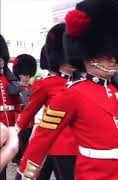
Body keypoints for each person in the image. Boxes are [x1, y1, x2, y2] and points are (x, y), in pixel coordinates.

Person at [16, 0, 118, 179]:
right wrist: (26, 175)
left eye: (113, 53)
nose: (112, 59)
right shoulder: (72, 93)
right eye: (106, 53)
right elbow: (42, 138)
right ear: (89, 53)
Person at [15, 24, 78, 180]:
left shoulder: (83, 82)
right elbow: (29, 111)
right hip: (62, 145)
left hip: (86, 145)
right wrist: (14, 132)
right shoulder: (46, 84)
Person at [0, 34, 20, 180]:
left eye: (2, 58)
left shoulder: (9, 78)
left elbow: (17, 104)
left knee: (6, 164)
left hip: (10, 125)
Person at [11, 54, 37, 164]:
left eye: (27, 75)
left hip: (31, 119)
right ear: (19, 74)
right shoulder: (14, 87)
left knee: (28, 139)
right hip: (19, 118)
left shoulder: (33, 87)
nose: (26, 77)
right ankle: (20, 157)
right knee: (20, 140)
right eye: (23, 74)